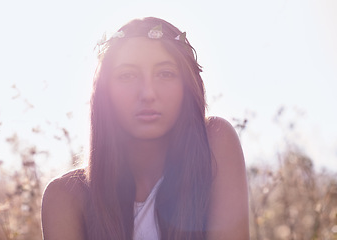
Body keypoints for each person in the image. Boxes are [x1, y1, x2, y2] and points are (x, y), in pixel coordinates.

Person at [41, 17, 249, 240]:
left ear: (187, 85)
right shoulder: (65, 197)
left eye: (165, 73)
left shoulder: (215, 142)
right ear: (104, 91)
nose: (148, 93)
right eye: (127, 76)